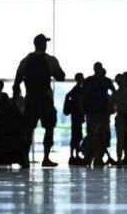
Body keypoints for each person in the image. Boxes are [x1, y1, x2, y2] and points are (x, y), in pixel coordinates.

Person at [13, 34, 65, 168]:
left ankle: (25, 158)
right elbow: (61, 76)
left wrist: (15, 99)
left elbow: (17, 81)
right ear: (44, 45)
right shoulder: (50, 60)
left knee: (28, 130)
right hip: (45, 99)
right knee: (49, 128)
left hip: (30, 99)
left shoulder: (25, 60)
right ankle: (46, 158)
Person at [81, 62, 116, 168]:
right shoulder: (105, 81)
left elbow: (83, 96)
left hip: (96, 112)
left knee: (95, 135)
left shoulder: (89, 81)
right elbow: (114, 92)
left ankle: (93, 157)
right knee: (98, 135)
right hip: (99, 112)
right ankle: (96, 157)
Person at [63, 73, 86, 164]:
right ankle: (74, 155)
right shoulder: (79, 90)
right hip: (77, 115)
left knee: (75, 136)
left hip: (75, 115)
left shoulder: (74, 90)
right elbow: (80, 103)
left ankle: (73, 155)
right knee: (77, 136)